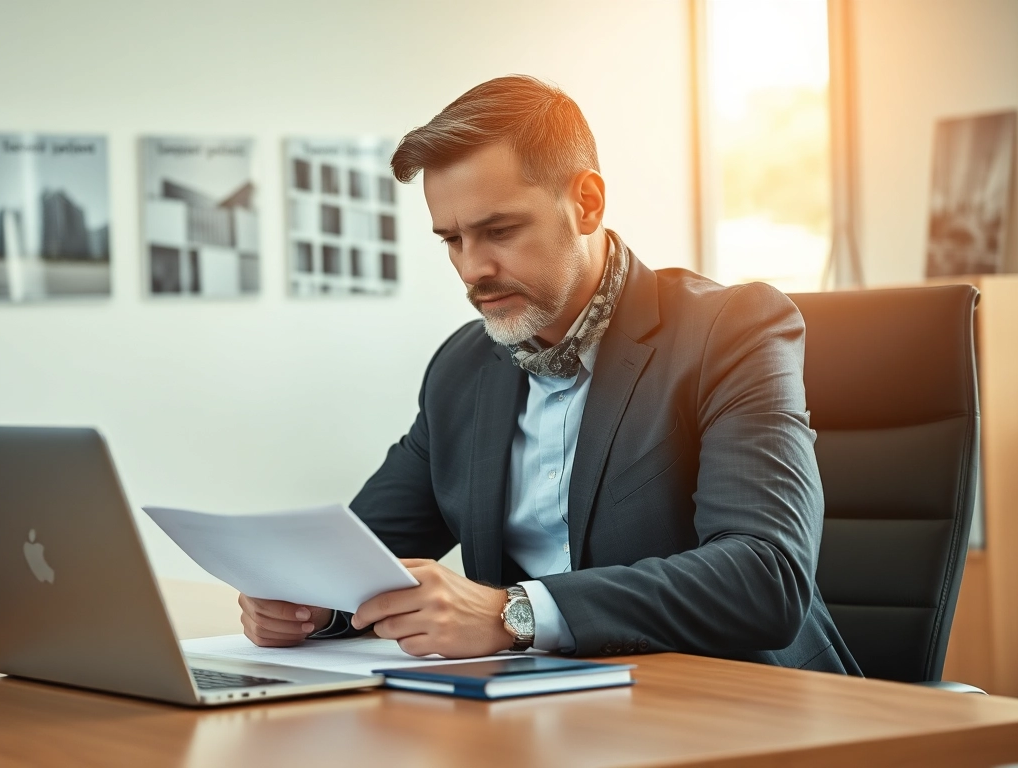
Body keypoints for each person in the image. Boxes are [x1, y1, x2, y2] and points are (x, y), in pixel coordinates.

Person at [239, 75, 860, 674]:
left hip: (738, 703)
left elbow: (764, 577)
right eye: (451, 240)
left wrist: (514, 613)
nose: (471, 268)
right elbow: (361, 559)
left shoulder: (731, 330)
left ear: (586, 203)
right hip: (541, 712)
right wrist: (307, 604)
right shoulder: (461, 367)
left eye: (499, 231)